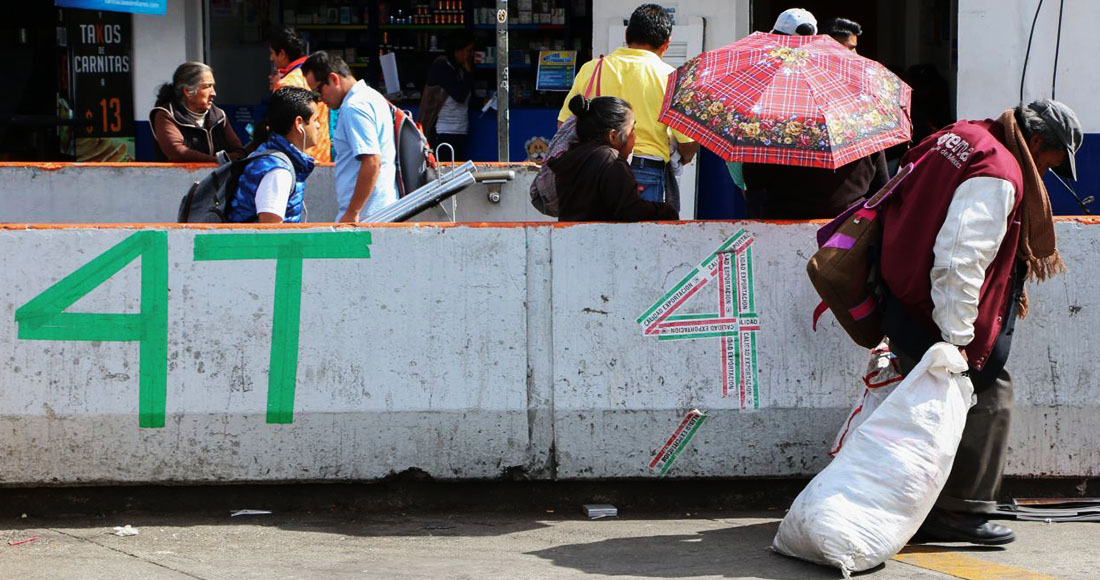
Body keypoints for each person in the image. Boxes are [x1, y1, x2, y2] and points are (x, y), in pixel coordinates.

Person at [880, 100, 1082, 545]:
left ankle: (927, 504)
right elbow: (960, 258)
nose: (1048, 173)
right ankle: (960, 511)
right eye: (1052, 161)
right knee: (991, 394)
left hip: (904, 292)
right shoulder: (999, 170)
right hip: (933, 308)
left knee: (932, 407)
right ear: (1035, 142)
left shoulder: (960, 136)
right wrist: (956, 340)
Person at [739, 8, 888, 219]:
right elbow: (881, 186)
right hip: (847, 232)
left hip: (783, 226)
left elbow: (754, 181)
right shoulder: (861, 103)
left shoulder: (771, 107)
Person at [558, 4, 698, 206]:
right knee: (641, 236)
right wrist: (684, 157)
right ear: (666, 44)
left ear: (626, 33)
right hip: (645, 171)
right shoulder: (671, 79)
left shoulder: (592, 69)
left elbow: (564, 125)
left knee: (596, 236)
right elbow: (687, 144)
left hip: (592, 170)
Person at [301, 52, 398, 223]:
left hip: (367, 217)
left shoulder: (354, 107)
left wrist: (353, 212)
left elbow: (372, 161)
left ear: (334, 79)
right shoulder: (372, 97)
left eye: (318, 90)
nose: (320, 100)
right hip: (378, 211)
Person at [549, 95, 678, 222]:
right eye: (632, 130)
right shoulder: (611, 161)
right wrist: (665, 210)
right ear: (613, 136)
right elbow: (630, 210)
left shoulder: (571, 155)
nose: (634, 136)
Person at [227, 87, 321, 224]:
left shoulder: (269, 155)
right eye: (315, 120)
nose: (318, 126)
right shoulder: (278, 171)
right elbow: (270, 232)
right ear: (299, 123)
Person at [150, 62, 245, 163]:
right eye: (207, 86)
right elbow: (178, 153)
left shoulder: (219, 116)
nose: (213, 93)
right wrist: (216, 161)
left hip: (217, 177)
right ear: (187, 91)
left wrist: (220, 162)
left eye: (213, 86)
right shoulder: (167, 114)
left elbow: (239, 152)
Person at [270, 26, 332, 163]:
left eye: (272, 53)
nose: (271, 58)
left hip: (298, 161)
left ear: (282, 54)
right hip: (322, 156)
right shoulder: (317, 75)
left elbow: (281, 130)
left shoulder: (286, 84)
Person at [420, 30, 475, 161]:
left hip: (460, 128)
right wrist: (469, 73)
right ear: (458, 50)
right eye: (468, 51)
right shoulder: (442, 67)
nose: (469, 55)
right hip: (443, 130)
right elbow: (459, 95)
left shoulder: (458, 69)